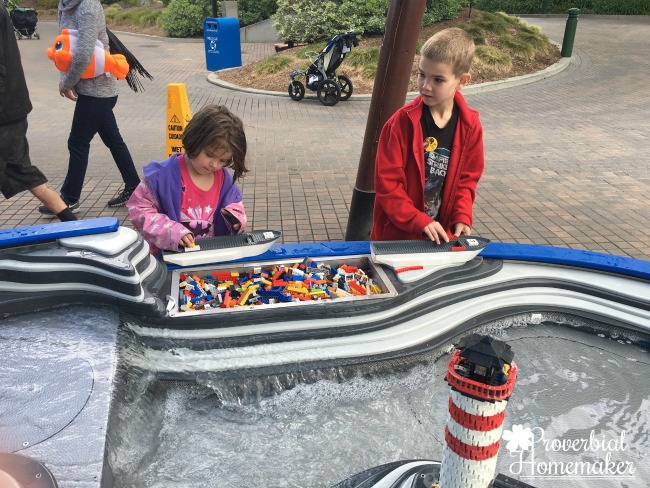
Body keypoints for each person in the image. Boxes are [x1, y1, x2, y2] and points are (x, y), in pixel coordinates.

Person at [371, 28, 484, 244]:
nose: (426, 86)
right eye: (421, 74)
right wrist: (418, 220)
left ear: (462, 81)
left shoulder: (471, 127)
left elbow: (466, 181)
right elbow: (388, 186)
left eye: (438, 80)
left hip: (440, 237)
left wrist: (462, 216)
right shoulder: (399, 124)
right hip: (396, 239)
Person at [39, 0, 140, 216]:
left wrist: (67, 83)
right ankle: (135, 187)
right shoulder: (64, 5)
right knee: (113, 140)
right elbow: (63, 47)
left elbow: (84, 53)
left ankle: (69, 198)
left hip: (99, 91)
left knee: (77, 142)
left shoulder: (88, 6)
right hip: (91, 91)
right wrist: (66, 79)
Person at [127, 104, 249, 256]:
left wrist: (235, 218)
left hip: (207, 257)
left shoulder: (224, 179)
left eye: (223, 160)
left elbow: (235, 204)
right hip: (168, 258)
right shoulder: (162, 176)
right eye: (209, 154)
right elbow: (138, 208)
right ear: (194, 140)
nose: (215, 164)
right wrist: (171, 232)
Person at [1, 1, 77, 222]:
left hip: (5, 112)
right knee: (23, 170)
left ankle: (71, 221)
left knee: (24, 170)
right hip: (11, 109)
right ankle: (70, 221)